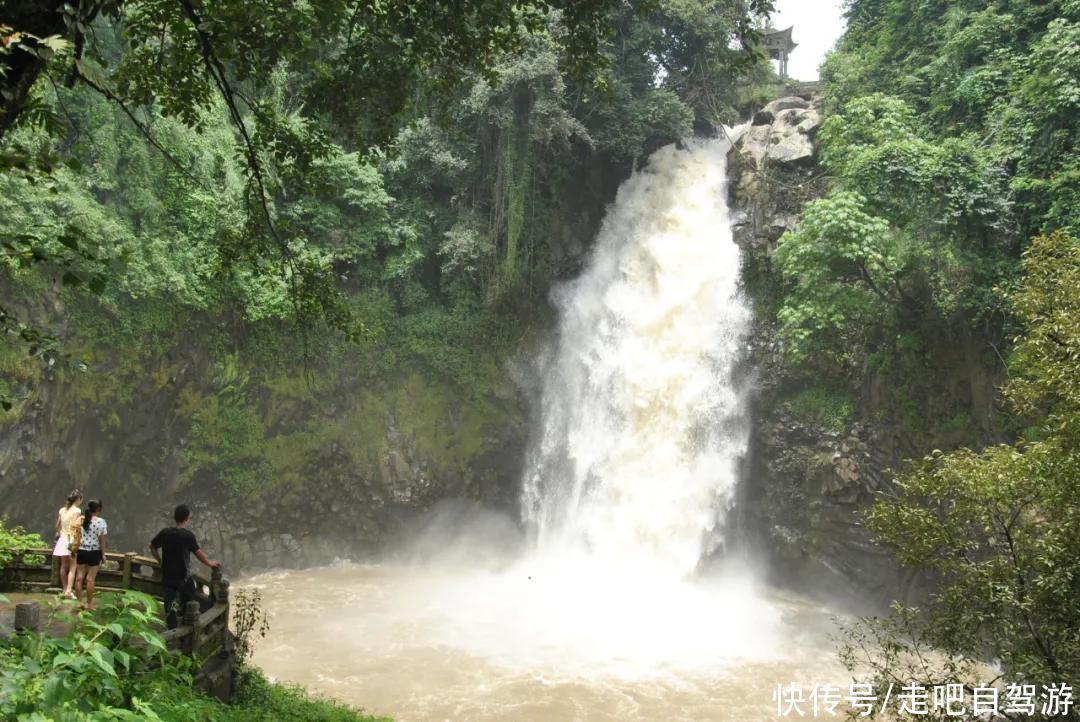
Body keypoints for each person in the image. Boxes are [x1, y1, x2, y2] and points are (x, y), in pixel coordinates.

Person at [149, 504, 222, 629]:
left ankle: (172, 632)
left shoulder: (165, 532)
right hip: (183, 577)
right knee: (190, 604)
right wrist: (210, 563)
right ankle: (188, 630)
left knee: (169, 605)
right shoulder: (187, 535)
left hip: (168, 576)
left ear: (175, 517)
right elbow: (198, 553)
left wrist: (159, 561)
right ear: (187, 518)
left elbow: (152, 546)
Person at [74, 500, 107, 610]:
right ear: (98, 509)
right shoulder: (100, 521)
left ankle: (79, 603)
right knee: (90, 579)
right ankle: (89, 604)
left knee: (79, 578)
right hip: (94, 552)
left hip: (82, 550)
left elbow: (76, 533)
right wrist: (103, 554)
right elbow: (101, 540)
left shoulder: (82, 519)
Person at [52, 490, 83, 600]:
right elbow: (75, 527)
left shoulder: (62, 510)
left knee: (63, 566)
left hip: (62, 540)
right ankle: (69, 590)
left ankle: (64, 588)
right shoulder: (77, 511)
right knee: (72, 567)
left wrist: (60, 533)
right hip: (71, 540)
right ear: (78, 499)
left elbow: (57, 525)